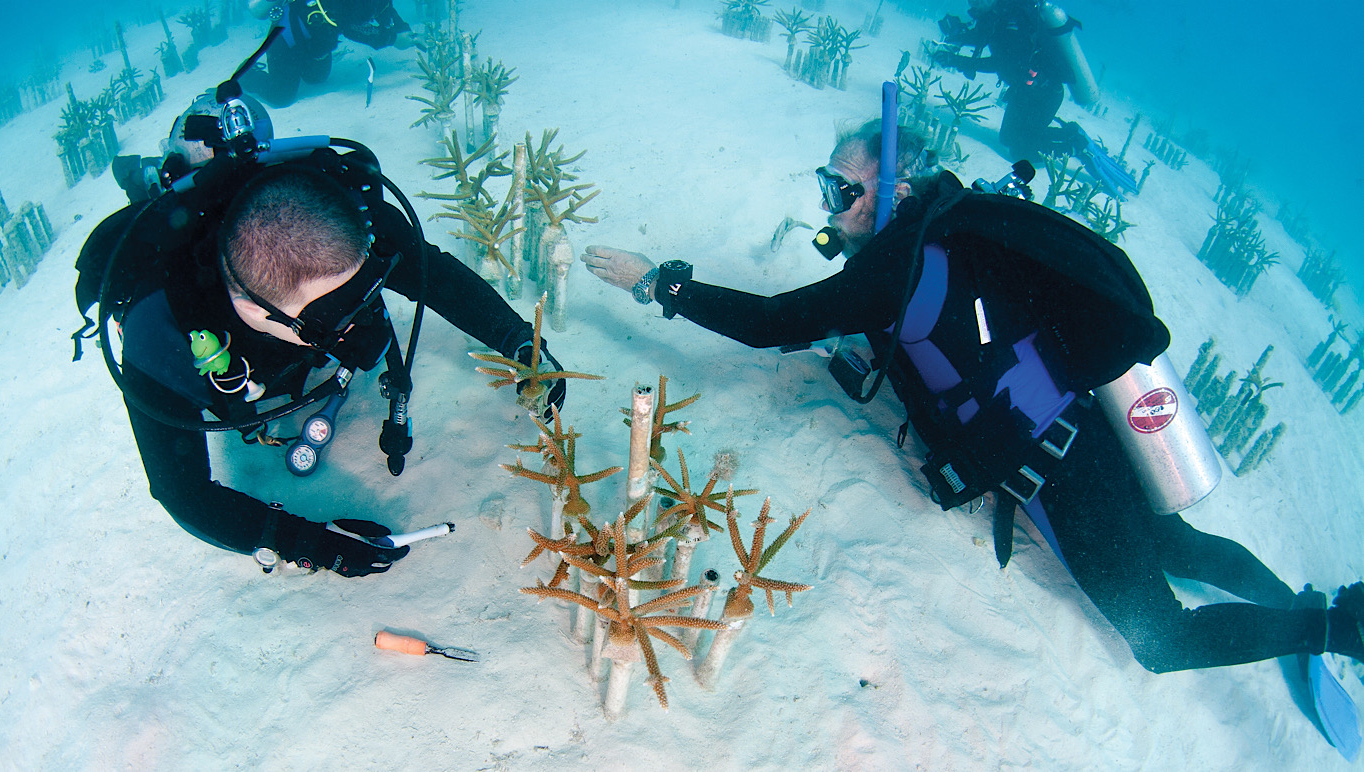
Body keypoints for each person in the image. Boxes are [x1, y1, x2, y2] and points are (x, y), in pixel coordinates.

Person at [578, 119, 1364, 674]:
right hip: (1089, 432)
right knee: (1180, 545)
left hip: (1061, 474)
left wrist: (661, 283)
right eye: (824, 186)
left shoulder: (897, 266)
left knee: (1162, 643)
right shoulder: (961, 222)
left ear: (897, 188)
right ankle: (1308, 604)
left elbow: (774, 322)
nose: (828, 207)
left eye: (841, 189)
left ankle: (1329, 628)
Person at [76, 95, 565, 578]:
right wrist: (304, 543)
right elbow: (180, 493)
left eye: (364, 291)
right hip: (213, 333)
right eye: (329, 320)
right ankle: (157, 173)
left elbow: (431, 273)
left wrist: (521, 340)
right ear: (253, 309)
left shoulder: (350, 216)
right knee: (165, 191)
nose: (358, 332)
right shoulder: (158, 338)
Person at [932, 0, 1098, 163]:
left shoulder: (1014, 18)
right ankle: (1069, 133)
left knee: (1022, 151)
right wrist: (957, 35)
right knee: (1007, 139)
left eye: (977, 1)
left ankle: (1075, 145)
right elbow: (982, 36)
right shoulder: (995, 16)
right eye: (970, 1)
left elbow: (1001, 62)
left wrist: (955, 60)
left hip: (1045, 94)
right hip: (1023, 90)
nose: (973, 5)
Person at [241, 0, 413, 107]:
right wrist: (393, 39)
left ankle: (296, 69)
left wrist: (402, 27)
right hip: (285, 41)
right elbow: (351, 28)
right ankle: (247, 73)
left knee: (317, 78)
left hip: (317, 45)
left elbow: (384, 8)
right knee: (281, 96)